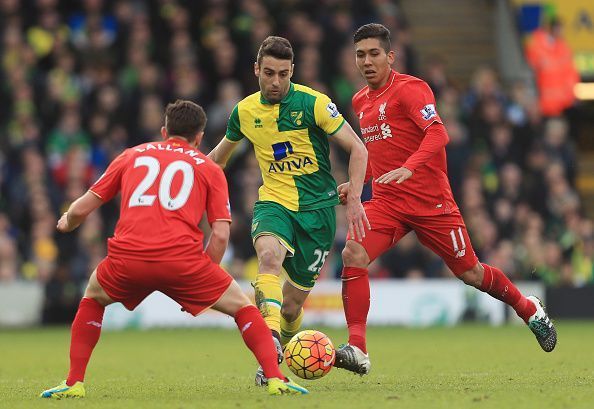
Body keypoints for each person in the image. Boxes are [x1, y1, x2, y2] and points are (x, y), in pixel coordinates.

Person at [40, 100, 308, 398]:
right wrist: (203, 277)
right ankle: (275, 378)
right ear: (199, 137)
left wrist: (67, 222)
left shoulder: (131, 155)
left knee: (92, 298)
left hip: (128, 258)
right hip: (183, 262)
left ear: (164, 130)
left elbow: (83, 207)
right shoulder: (208, 167)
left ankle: (74, 382)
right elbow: (220, 234)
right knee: (244, 308)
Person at [333, 23, 558, 375]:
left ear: (390, 56)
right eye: (360, 54)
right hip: (389, 202)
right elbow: (381, 154)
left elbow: (438, 133)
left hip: (431, 204)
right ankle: (358, 349)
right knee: (353, 253)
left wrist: (410, 168)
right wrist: (358, 182)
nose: (366, 61)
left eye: (374, 53)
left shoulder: (412, 89)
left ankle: (528, 308)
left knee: (470, 272)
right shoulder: (360, 101)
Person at [208, 36, 369, 385]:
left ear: (292, 71)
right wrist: (188, 178)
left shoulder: (314, 103)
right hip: (274, 203)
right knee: (268, 257)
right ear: (256, 70)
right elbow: (216, 160)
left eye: (283, 74)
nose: (276, 82)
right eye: (268, 73)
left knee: (293, 307)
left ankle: (285, 341)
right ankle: (269, 345)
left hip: (318, 214)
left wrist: (354, 196)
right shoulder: (245, 112)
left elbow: (358, 149)